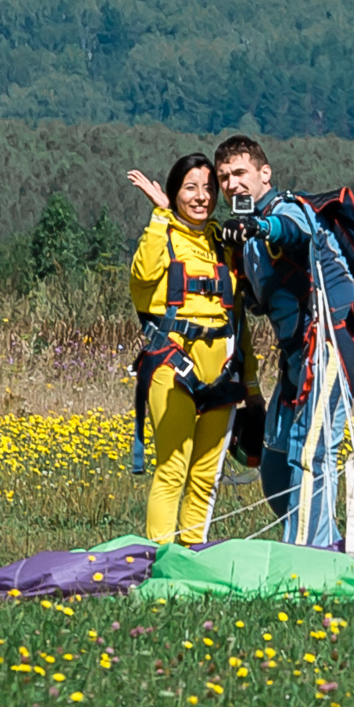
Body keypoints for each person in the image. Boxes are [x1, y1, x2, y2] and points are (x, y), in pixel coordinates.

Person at [212, 134, 354, 547]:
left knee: (311, 453)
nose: (232, 184)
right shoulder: (244, 244)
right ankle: (321, 538)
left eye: (240, 173)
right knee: (276, 464)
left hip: (334, 341)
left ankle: (315, 556)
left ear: (264, 173)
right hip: (295, 357)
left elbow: (295, 235)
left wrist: (259, 225)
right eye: (224, 177)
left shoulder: (286, 210)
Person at [122, 153, 247, 545]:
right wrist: (159, 216)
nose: (201, 197)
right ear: (174, 193)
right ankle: (161, 557)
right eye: (190, 188)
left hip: (222, 372)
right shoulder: (163, 236)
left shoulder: (221, 244)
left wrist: (253, 385)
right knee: (173, 468)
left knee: (206, 475)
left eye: (208, 189)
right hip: (173, 367)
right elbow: (142, 277)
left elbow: (238, 319)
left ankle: (193, 556)